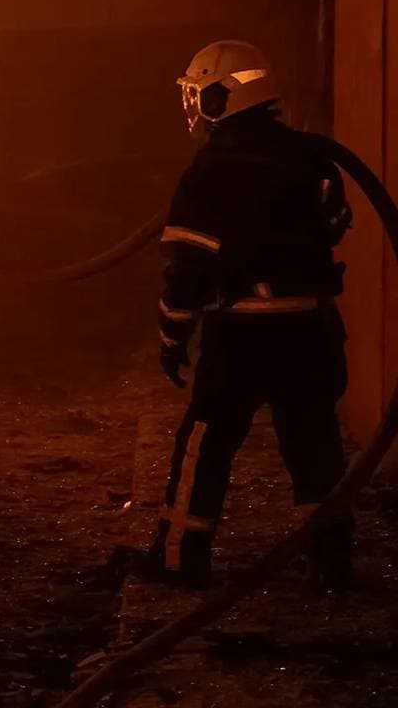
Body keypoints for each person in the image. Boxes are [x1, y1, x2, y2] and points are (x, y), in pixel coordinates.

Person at [147, 40, 353, 590]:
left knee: (207, 441)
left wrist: (172, 335)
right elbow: (336, 223)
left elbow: (186, 271)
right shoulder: (310, 155)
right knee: (314, 443)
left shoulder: (208, 171)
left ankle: (180, 558)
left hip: (241, 330)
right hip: (310, 326)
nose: (193, 105)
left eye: (198, 93)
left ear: (221, 96)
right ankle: (330, 563)